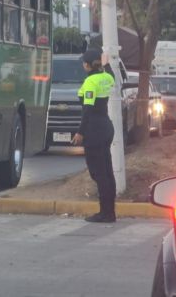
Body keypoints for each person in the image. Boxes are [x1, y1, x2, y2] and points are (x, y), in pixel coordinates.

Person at [72, 49, 117, 223]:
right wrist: (107, 63)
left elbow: (88, 110)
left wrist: (80, 132)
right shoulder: (106, 77)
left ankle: (105, 213)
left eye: (84, 62)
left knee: (99, 174)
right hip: (106, 127)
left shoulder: (91, 81)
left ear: (87, 65)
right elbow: (112, 74)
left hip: (95, 130)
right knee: (107, 172)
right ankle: (110, 212)